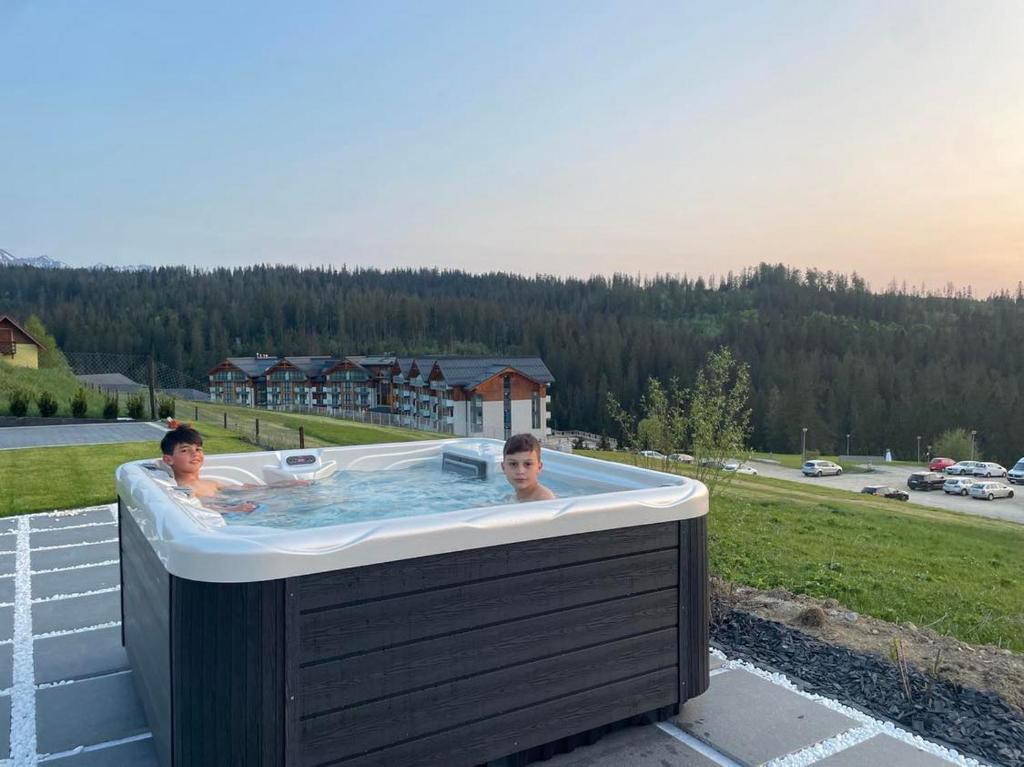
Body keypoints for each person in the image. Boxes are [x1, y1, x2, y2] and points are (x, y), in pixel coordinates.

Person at [501, 433, 556, 502]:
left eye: (528, 464)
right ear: (503, 468)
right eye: (513, 464)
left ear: (539, 467)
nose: (520, 471)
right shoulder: (510, 498)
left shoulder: (545, 499)